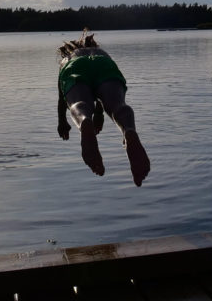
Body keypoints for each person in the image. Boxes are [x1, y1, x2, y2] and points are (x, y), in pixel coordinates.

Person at [56, 30, 150, 186]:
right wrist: (99, 114)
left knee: (78, 104)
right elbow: (98, 93)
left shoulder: (66, 59)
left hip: (74, 67)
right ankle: (129, 130)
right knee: (118, 106)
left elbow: (62, 99)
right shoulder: (101, 52)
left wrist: (62, 122)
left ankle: (84, 120)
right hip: (104, 64)